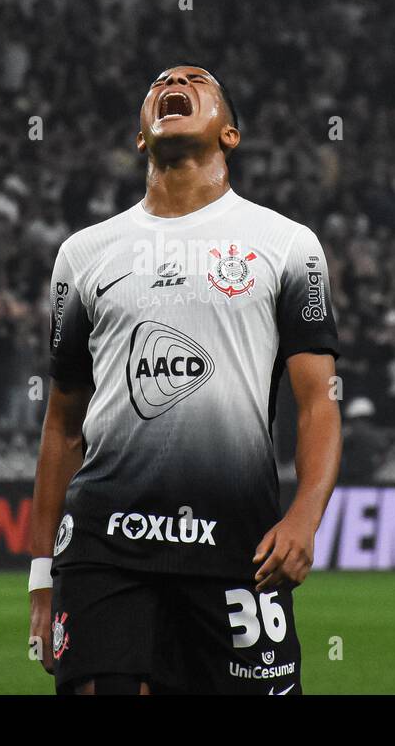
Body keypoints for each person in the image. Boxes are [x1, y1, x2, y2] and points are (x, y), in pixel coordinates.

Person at [28, 64, 342, 694]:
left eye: (199, 80)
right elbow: (62, 422)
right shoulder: (84, 254)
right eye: (160, 82)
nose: (175, 79)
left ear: (230, 134)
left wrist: (305, 517)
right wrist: (42, 577)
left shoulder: (286, 246)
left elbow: (318, 402)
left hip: (236, 543)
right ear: (142, 138)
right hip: (104, 543)